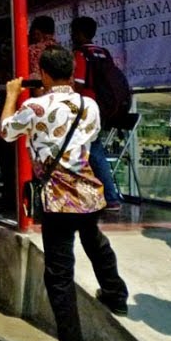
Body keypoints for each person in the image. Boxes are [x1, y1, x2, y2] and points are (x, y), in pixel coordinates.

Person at [0, 45, 129, 341]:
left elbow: (6, 132)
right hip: (86, 191)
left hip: (57, 198)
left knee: (59, 274)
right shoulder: (90, 105)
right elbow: (90, 140)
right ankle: (115, 293)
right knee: (94, 240)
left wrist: (12, 95)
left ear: (42, 73)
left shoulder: (35, 107)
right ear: (72, 72)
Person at [69, 16, 126, 211]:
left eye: (73, 32)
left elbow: (78, 84)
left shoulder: (80, 54)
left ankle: (109, 197)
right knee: (93, 149)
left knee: (93, 150)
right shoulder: (102, 53)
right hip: (102, 109)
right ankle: (103, 196)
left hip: (84, 108)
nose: (71, 36)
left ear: (79, 33)